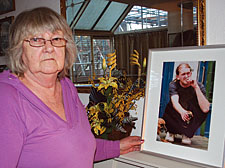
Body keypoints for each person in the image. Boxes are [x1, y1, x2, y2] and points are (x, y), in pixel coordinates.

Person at [0, 7, 144, 167]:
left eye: (56, 39)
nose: (49, 48)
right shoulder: (7, 97)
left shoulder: (66, 86)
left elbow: (78, 146)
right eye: (36, 40)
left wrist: (117, 147)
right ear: (19, 50)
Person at [163, 63, 210, 145]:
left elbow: (205, 108)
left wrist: (196, 87)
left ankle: (187, 134)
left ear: (191, 73)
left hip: (190, 111)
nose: (186, 76)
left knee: (202, 112)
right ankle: (171, 131)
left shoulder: (199, 86)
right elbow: (175, 102)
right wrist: (182, 112)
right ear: (178, 76)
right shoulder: (173, 85)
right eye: (183, 74)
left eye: (188, 73)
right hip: (178, 112)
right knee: (170, 107)